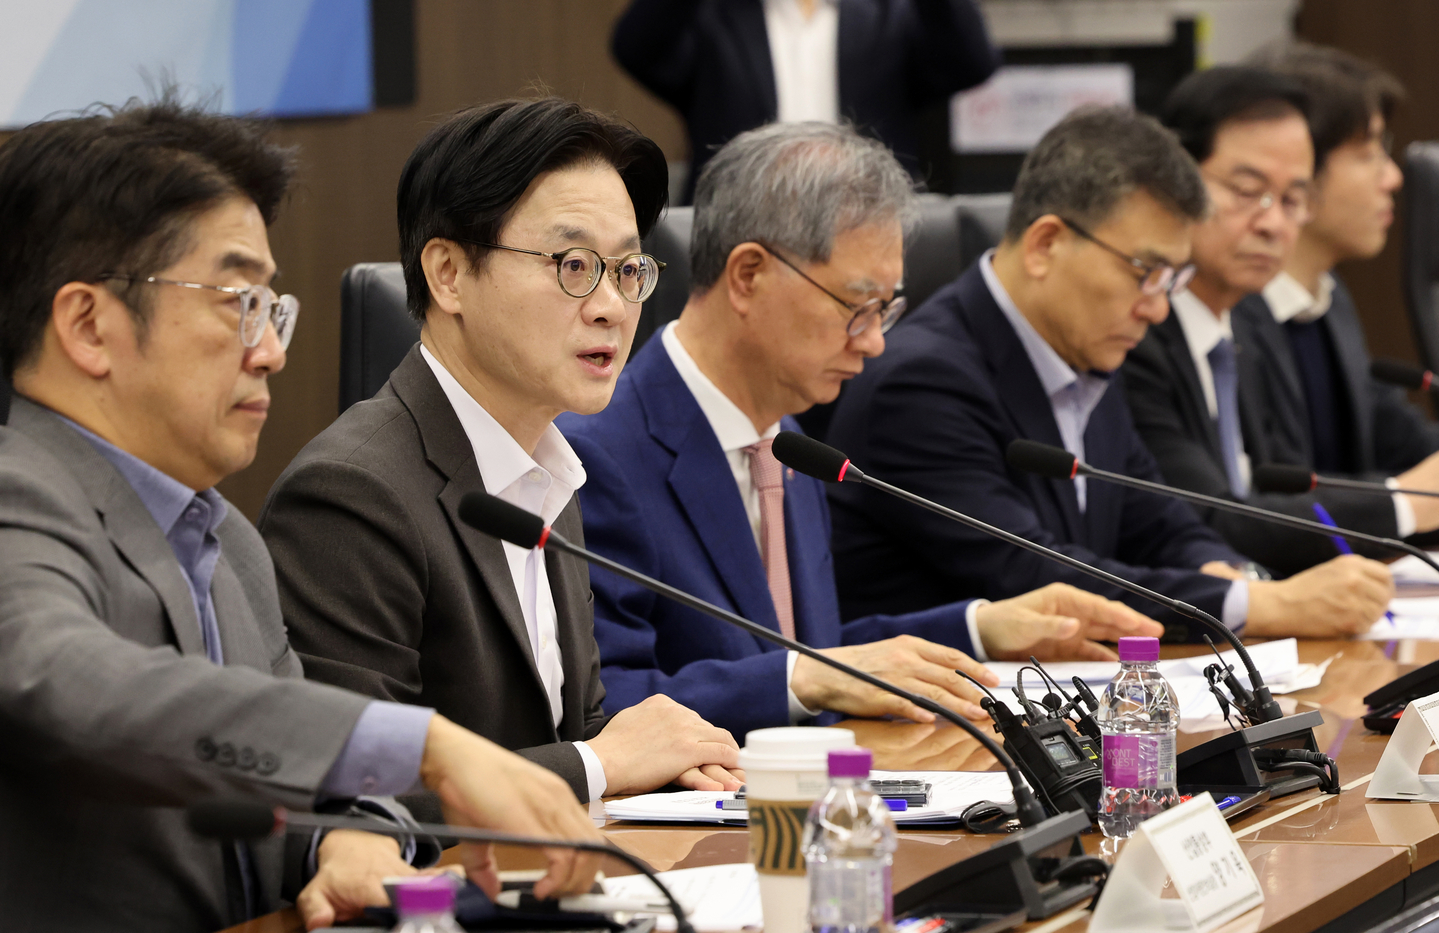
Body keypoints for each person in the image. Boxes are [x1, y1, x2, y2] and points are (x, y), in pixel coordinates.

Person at [0, 99, 603, 932]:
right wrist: (423, 741)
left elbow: (307, 790)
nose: (272, 349)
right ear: (88, 325)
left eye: (271, 308)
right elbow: (63, 679)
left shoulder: (230, 542)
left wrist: (344, 840)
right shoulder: (16, 492)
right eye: (236, 301)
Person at [557, 122, 1164, 736]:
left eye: (886, 310)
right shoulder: (598, 452)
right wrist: (803, 677)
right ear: (748, 276)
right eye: (857, 306)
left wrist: (983, 626)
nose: (875, 341)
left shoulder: (790, 444)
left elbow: (806, 647)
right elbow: (609, 701)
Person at [259, 98, 744, 818]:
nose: (612, 304)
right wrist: (598, 763)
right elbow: (352, 797)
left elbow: (571, 731)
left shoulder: (551, 472)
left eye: (628, 268)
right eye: (574, 264)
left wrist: (667, 768)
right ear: (449, 273)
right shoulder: (351, 494)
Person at [825, 106, 1393, 641]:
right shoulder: (923, 382)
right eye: (1145, 271)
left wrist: (1229, 573)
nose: (1157, 307)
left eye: (1171, 278)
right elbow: (1038, 574)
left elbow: (1159, 522)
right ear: (1047, 243)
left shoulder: (1086, 350)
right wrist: (1264, 605)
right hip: (922, 728)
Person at [1122, 62, 1439, 577]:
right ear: (1174, 179)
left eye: (1292, 199)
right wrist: (1406, 502)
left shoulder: (1244, 326)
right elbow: (1209, 518)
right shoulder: (1136, 334)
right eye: (1247, 191)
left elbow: (1285, 492)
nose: (1272, 222)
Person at [1238, 45, 1439, 546]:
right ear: (1298, 167)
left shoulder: (1327, 298)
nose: (1393, 177)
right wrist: (1404, 500)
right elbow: (1253, 510)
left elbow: (1399, 439)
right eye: (1369, 154)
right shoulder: (1227, 322)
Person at [610, 0, 999, 202]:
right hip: (736, 225)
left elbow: (973, 61)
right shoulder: (714, 17)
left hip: (870, 219)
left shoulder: (889, 14)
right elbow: (636, 48)